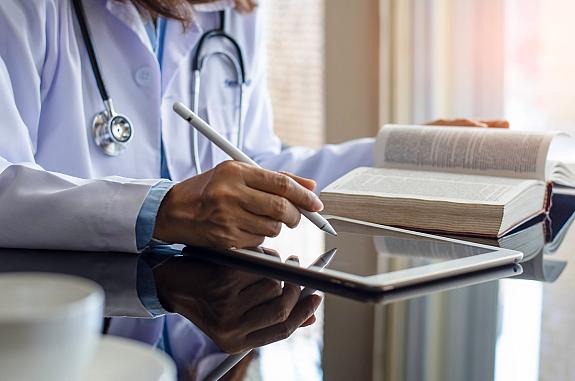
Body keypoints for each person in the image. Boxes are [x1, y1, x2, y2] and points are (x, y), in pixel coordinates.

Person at [0, 0, 504, 379]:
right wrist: (163, 209)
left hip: (201, 346)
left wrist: (393, 158)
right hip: (49, 340)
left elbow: (253, 161)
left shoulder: (234, 12)